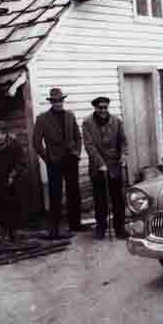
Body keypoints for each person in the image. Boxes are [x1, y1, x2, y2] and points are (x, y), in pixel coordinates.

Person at [33, 88, 89, 239]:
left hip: (70, 159)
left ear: (63, 101)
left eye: (60, 100)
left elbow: (78, 137)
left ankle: (75, 224)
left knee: (74, 191)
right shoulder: (42, 119)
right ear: (51, 102)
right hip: (54, 161)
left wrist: (76, 153)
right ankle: (54, 229)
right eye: (55, 101)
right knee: (55, 194)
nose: (58, 103)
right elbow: (36, 143)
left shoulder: (70, 116)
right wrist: (48, 158)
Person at [82, 96, 128, 240]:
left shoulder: (116, 121)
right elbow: (89, 146)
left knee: (118, 199)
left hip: (115, 166)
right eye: (100, 108)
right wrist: (100, 163)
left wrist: (124, 154)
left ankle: (119, 228)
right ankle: (100, 228)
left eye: (105, 107)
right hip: (97, 167)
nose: (103, 110)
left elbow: (123, 141)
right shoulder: (87, 123)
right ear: (95, 108)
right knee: (100, 199)